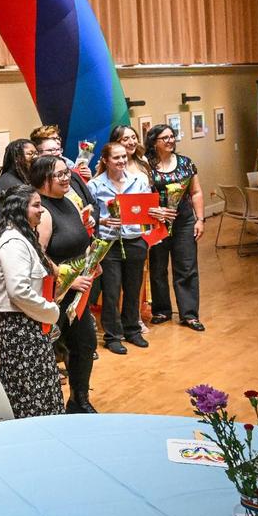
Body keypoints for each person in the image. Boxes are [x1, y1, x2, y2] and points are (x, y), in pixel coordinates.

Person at [29, 156, 99, 414]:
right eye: (59, 174)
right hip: (55, 295)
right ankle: (51, 407)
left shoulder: (69, 202)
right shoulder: (43, 211)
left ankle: (79, 400)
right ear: (43, 179)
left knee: (86, 344)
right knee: (50, 351)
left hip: (78, 292)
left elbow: (77, 240)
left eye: (66, 172)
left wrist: (92, 257)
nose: (66, 177)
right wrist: (68, 280)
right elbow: (38, 253)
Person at [0, 185, 64, 418]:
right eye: (36, 205)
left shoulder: (22, 238)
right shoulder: (14, 243)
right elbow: (18, 291)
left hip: (28, 325)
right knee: (29, 395)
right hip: (20, 330)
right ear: (21, 209)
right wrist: (51, 311)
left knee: (41, 391)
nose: (42, 211)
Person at [88, 142, 152, 355]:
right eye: (116, 158)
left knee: (133, 289)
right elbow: (89, 216)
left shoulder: (139, 180)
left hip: (134, 239)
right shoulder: (95, 185)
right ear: (105, 160)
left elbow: (147, 208)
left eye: (124, 157)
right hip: (109, 244)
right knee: (112, 291)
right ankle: (113, 335)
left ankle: (132, 330)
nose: (122, 161)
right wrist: (103, 221)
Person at [144, 124, 206, 331]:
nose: (170, 140)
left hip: (184, 220)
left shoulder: (186, 163)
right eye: (165, 138)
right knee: (158, 267)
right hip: (157, 222)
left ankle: (189, 314)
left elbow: (196, 192)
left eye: (172, 136)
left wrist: (200, 219)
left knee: (186, 266)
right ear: (154, 142)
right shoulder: (146, 166)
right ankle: (161, 310)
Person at [0, 138, 36, 210]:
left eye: (36, 153)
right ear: (17, 158)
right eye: (30, 153)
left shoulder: (22, 179)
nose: (36, 157)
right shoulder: (7, 183)